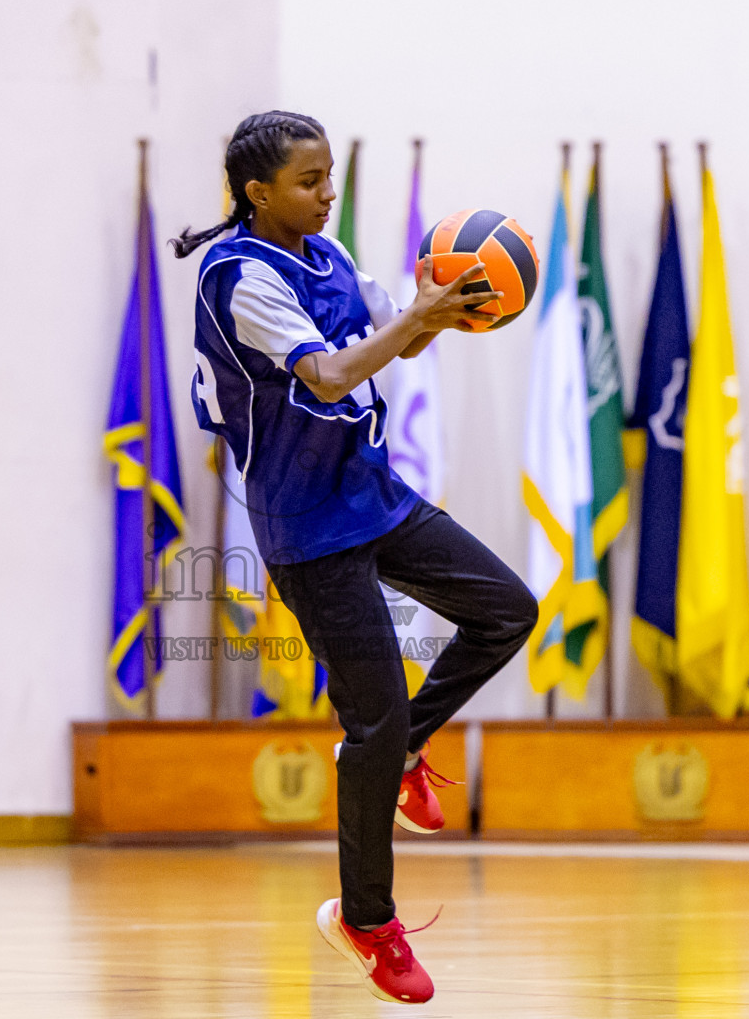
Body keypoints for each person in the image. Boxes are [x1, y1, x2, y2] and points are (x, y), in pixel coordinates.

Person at [175, 112, 537, 1005]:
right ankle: (366, 922)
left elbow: (394, 339)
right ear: (258, 194)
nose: (327, 193)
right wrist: (415, 318)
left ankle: (408, 746)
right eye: (309, 181)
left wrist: (442, 313)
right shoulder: (237, 279)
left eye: (330, 175)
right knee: (368, 726)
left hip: (371, 493)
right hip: (306, 525)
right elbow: (331, 376)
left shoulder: (330, 259)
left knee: (507, 608)